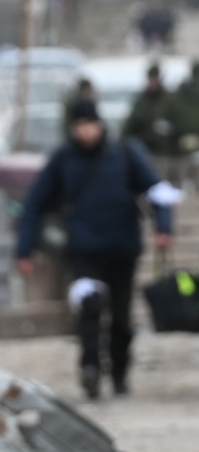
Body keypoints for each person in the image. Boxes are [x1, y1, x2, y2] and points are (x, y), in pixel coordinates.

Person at [15, 99, 174, 398]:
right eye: (79, 126)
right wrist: (24, 250)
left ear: (99, 124)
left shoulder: (125, 153)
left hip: (122, 247)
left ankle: (119, 372)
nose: (85, 131)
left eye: (89, 124)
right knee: (89, 309)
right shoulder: (63, 159)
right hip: (83, 249)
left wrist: (163, 227)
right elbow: (35, 204)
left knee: (121, 316)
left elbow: (156, 189)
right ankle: (90, 367)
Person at [122, 64, 179, 161]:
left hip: (167, 153)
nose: (153, 83)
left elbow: (178, 122)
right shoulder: (141, 101)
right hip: (146, 151)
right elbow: (130, 125)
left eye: (155, 79)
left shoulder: (169, 100)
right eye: (151, 79)